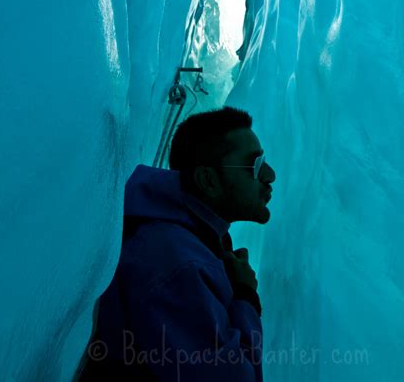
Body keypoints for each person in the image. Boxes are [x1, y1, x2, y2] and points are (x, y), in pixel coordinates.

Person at [77, 106, 276, 381]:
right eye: (254, 166)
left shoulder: (193, 236)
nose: (269, 175)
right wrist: (244, 296)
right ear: (208, 180)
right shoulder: (176, 263)